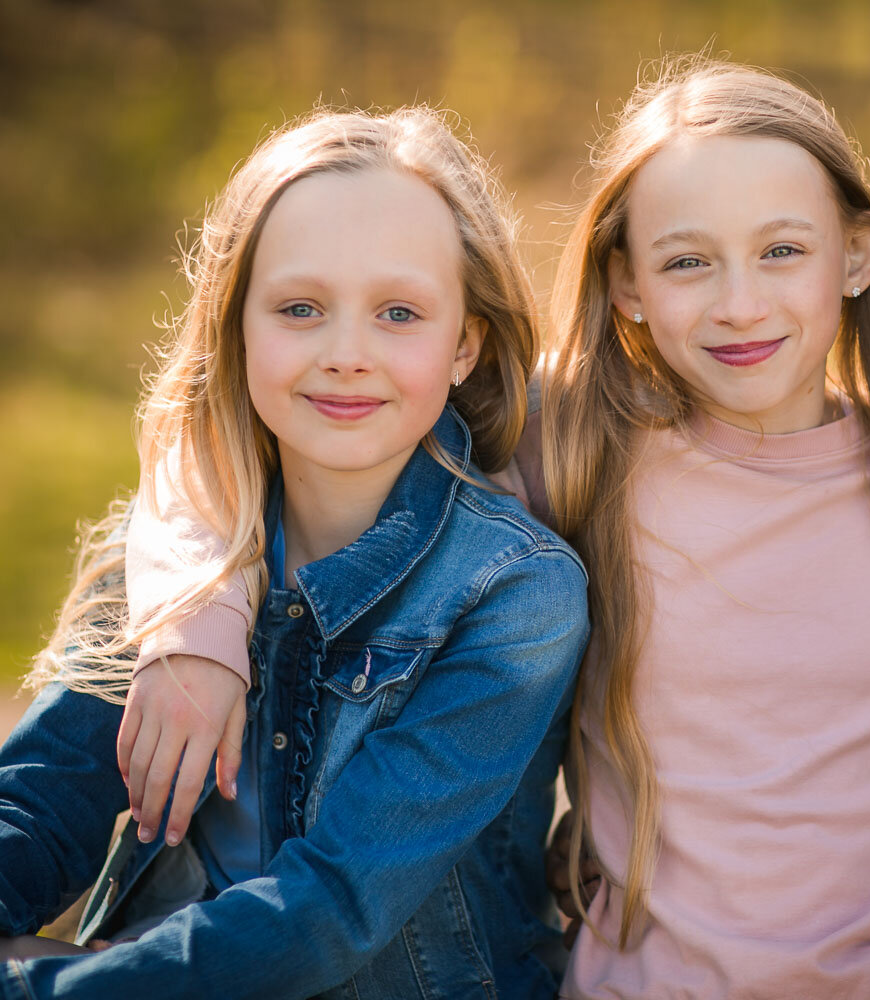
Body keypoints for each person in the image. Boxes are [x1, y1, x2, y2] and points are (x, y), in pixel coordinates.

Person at [108, 59, 870, 999]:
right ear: (627, 282)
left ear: (857, 254)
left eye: (782, 251)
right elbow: (248, 449)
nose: (740, 303)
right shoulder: (583, 442)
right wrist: (200, 630)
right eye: (686, 261)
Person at [0, 107, 589, 999]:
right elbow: (41, 802)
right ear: (238, 328)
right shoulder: (179, 561)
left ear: (465, 343)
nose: (346, 355)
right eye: (299, 309)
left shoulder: (517, 596)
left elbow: (334, 907)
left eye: (399, 313)